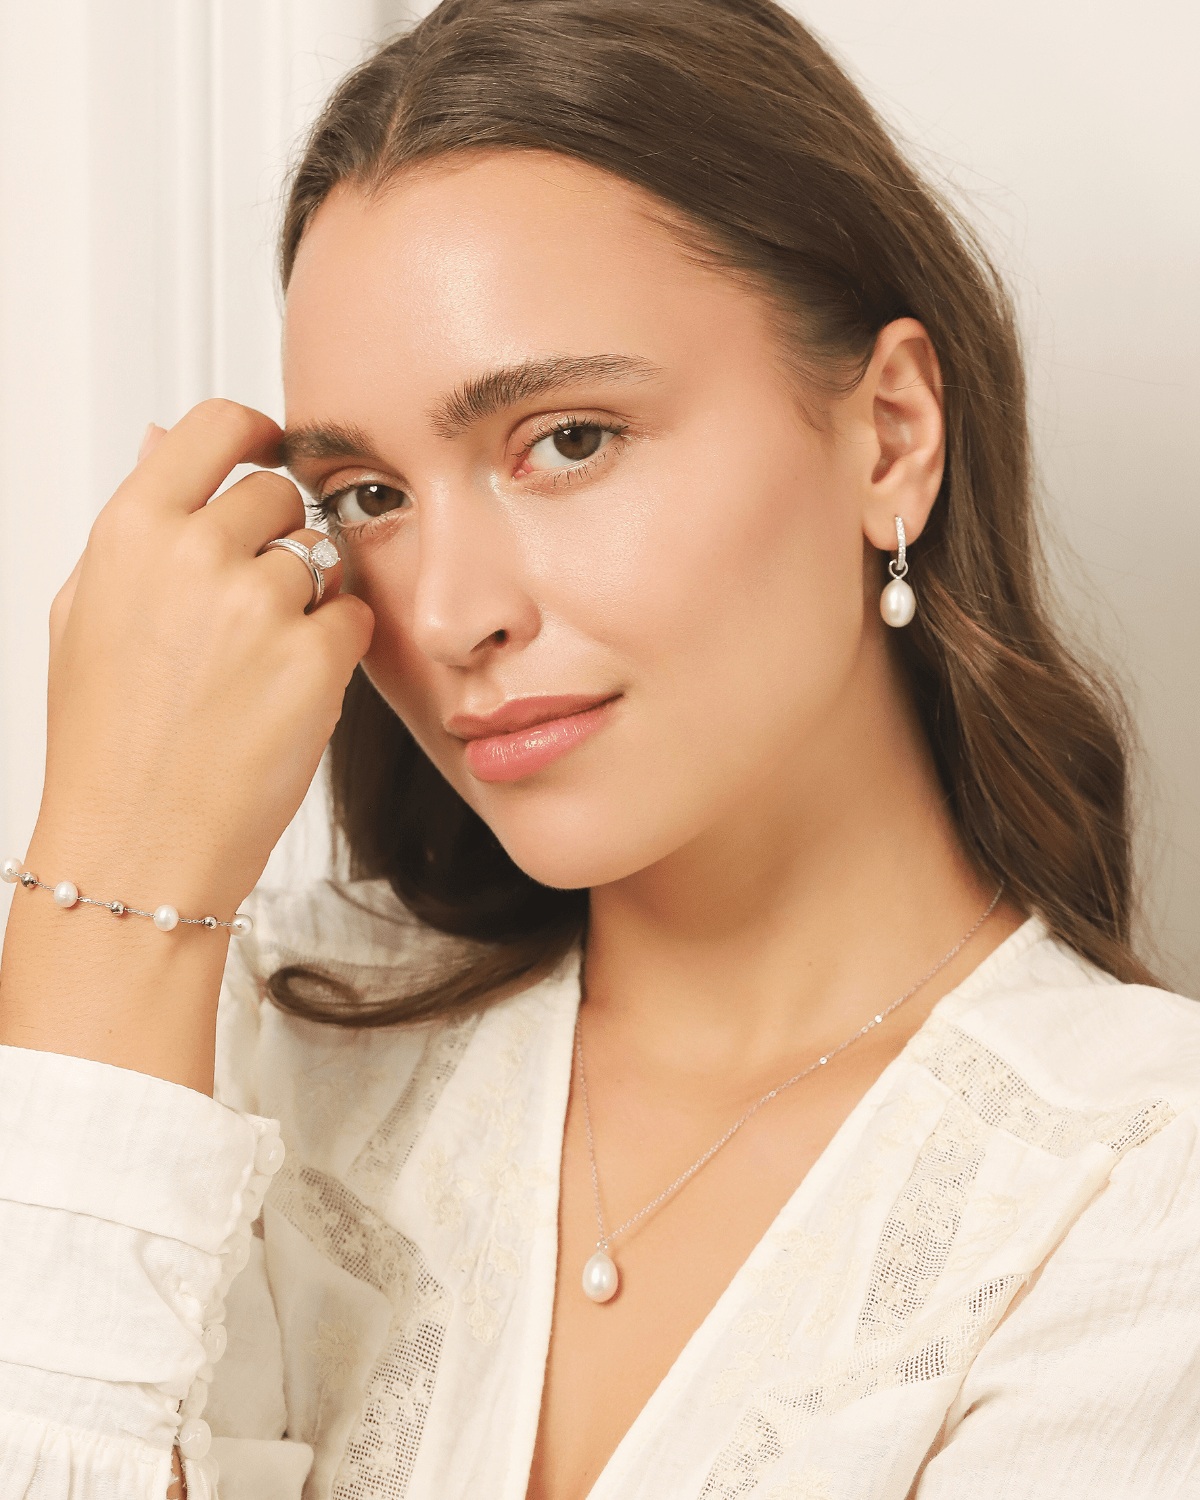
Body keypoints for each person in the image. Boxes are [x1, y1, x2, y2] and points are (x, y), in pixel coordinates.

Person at [1, 1, 1197, 1496]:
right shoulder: (215, 1055)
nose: (445, 614)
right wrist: (109, 902)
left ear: (889, 435)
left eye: (568, 440)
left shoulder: (1135, 1193)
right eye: (369, 494)